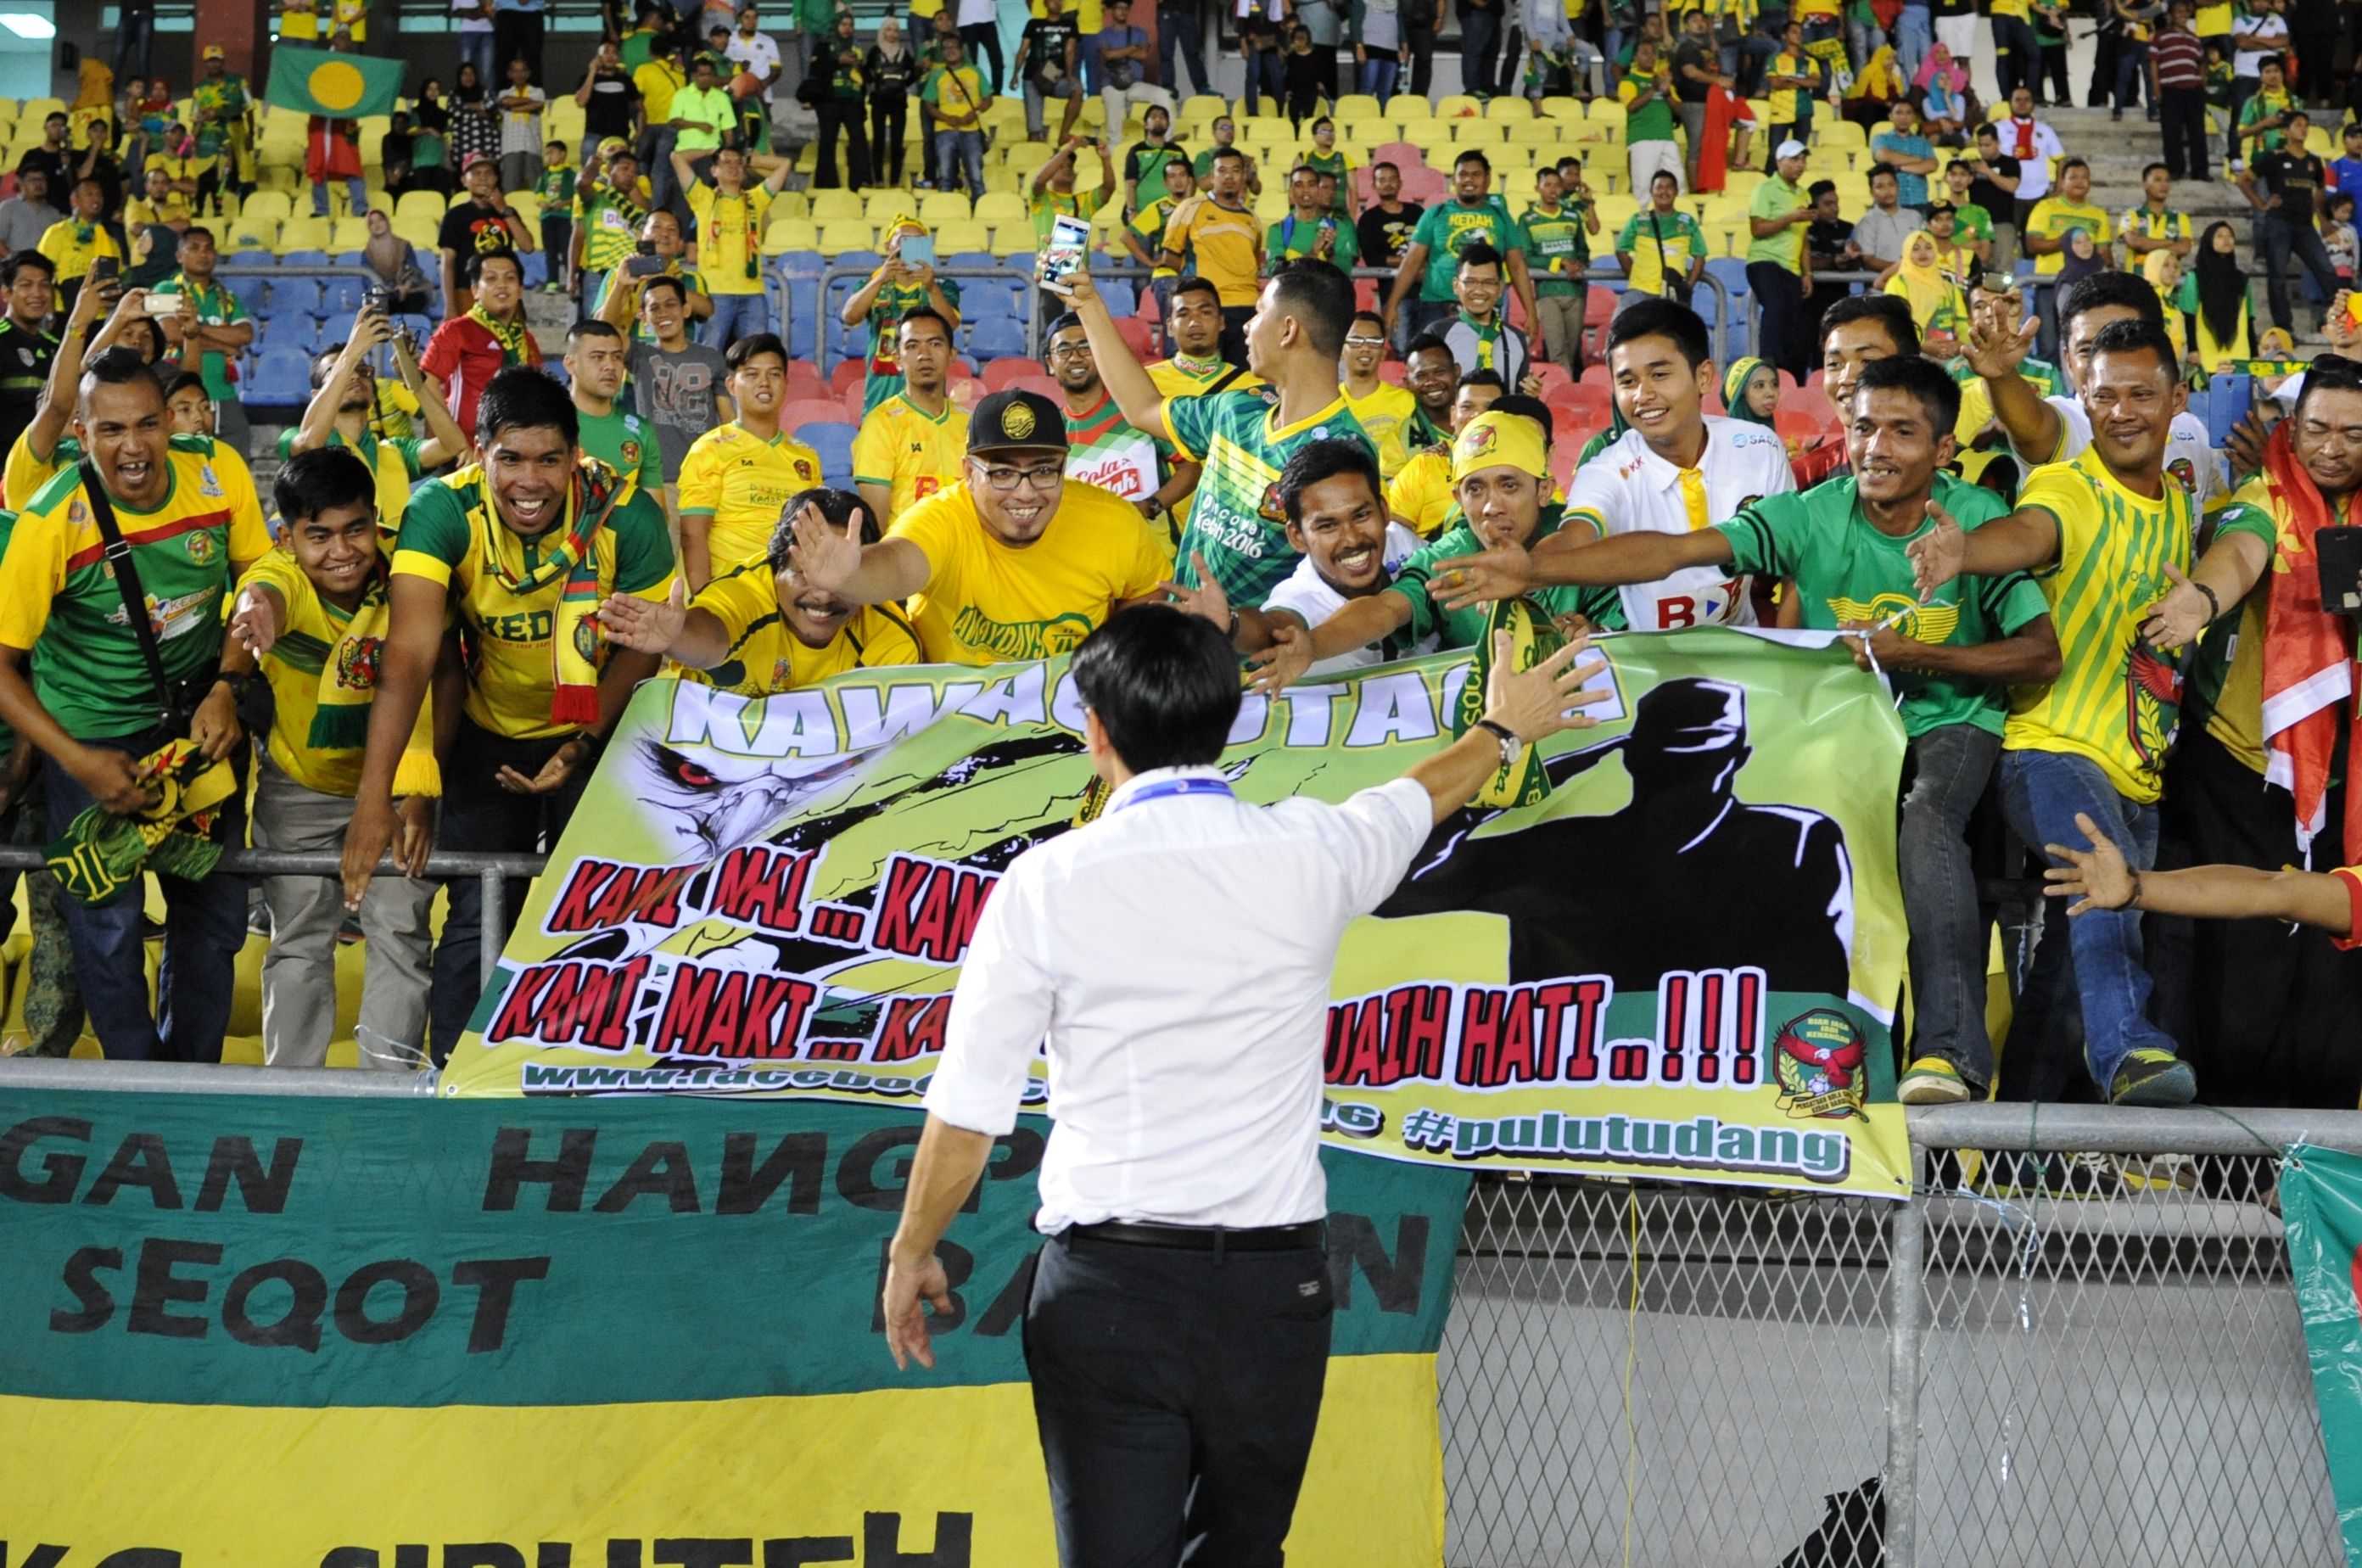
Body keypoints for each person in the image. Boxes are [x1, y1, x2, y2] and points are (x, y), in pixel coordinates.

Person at [880, 603, 1600, 1567]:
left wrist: (911, 1250)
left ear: (1097, 730)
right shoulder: (1309, 850)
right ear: (1229, 719)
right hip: (1273, 1294)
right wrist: (1503, 726)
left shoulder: (1044, 885)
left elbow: (969, 1114)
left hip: (1109, 1293)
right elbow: (1422, 793)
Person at [1910, 319, 2277, 1106]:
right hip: (2050, 749)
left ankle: (2018, 1151)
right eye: (2101, 395)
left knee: (2067, 976)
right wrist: (1965, 551)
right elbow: (2026, 533)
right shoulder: (2068, 488)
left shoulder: (2181, 504)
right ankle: (2131, 1053)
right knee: (2108, 897)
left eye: (2141, 394)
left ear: (2178, 400)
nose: (2120, 411)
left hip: (2139, 771)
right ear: (2083, 396)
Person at [344, 367, 676, 1064]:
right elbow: (407, 658)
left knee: (602, 910)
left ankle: (583, 1065)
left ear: (578, 454)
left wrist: (583, 744)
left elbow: (643, 652)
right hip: (486, 736)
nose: (532, 482)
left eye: (550, 460)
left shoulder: (629, 517)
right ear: (479, 452)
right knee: (475, 914)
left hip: (598, 740)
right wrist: (379, 797)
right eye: (511, 459)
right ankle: (454, 1075)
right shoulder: (440, 511)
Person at [0, 349, 269, 1061]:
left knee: (210, 922)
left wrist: (228, 684)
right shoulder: (50, 518)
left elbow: (258, 576)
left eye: (148, 424)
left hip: (199, 735)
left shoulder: (219, 471)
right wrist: (79, 762)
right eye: (111, 429)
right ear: (81, 436)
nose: (134, 446)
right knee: (108, 929)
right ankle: (138, 1089)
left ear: (167, 423)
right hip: (91, 746)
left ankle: (195, 1084)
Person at [224, 449, 439, 1070]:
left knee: (402, 938)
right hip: (300, 789)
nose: (341, 551)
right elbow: (262, 598)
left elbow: (443, 677)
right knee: (298, 941)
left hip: (403, 789)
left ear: (377, 521)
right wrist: (254, 613)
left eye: (356, 530)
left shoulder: (413, 570)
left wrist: (420, 795)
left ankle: (388, 1099)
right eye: (318, 536)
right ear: (286, 537)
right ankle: (291, 1095)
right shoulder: (277, 574)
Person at [1443, 299, 1795, 633]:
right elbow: (1574, 537)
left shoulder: (1760, 448)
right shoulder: (1607, 468)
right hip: (1648, 664)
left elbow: (1795, 563)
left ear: (1703, 376)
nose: (1643, 395)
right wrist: (1527, 568)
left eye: (1659, 375)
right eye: (1627, 381)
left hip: (1743, 655)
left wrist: (1791, 658)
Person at [1062, 257, 1373, 607]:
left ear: (1288, 331)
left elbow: (1351, 587)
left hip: (1268, 656)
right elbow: (1143, 409)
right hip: (1190, 644)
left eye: (1258, 313)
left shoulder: (1344, 452)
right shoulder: (1237, 409)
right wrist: (1087, 304)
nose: (1246, 327)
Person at [790, 388, 1172, 664]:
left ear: (1063, 467)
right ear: (969, 473)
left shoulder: (1112, 520)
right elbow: (897, 564)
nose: (1025, 494)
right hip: (956, 724)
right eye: (1003, 473)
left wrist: (1107, 658)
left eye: (1042, 471)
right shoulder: (942, 518)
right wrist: (850, 576)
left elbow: (1145, 593)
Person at [1245, 401, 1618, 682]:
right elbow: (1385, 610)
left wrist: (1596, 634)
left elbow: (1634, 628)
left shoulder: (1583, 539)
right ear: (1458, 499)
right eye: (1475, 488)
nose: (1490, 507)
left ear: (1544, 490)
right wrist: (1313, 646)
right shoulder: (1446, 559)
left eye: (1509, 485)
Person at [602, 484, 919, 694]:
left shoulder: (889, 634)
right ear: (775, 565)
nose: (823, 596)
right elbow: (712, 635)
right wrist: (677, 638)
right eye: (805, 574)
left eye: (842, 580)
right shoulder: (746, 592)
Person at [1965, 269, 2224, 506]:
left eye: (2123, 342)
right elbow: (2030, 425)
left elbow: (2210, 532)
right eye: (2088, 350)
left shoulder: (2193, 432)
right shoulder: (2067, 422)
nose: (2104, 363)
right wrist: (2002, 376)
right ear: (2067, 360)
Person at [286, 307, 467, 533]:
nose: (354, 375)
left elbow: (453, 444)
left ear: (373, 392)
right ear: (315, 396)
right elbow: (312, 443)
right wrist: (351, 354)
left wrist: (415, 382)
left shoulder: (395, 451)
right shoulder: (293, 438)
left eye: (363, 371)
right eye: (337, 373)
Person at [674, 332, 824, 587]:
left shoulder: (806, 456)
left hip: (791, 593)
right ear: (732, 385)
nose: (764, 383)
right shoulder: (710, 449)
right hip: (733, 593)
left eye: (774, 374)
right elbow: (693, 534)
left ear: (786, 383)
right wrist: (705, 603)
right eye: (752, 375)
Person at [1045, 312, 1198, 525]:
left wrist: (1151, 505)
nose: (1075, 357)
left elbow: (1190, 468)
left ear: (1100, 352)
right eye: (1063, 350)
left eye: (1085, 346)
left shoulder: (1137, 412)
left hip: (1154, 551)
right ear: (1050, 363)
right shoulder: (1050, 433)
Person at [600, 271, 730, 507]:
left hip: (706, 478)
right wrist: (620, 284)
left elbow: (730, 424)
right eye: (654, 308)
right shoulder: (640, 355)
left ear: (686, 310)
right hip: (658, 479)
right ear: (643, 317)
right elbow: (601, 333)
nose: (663, 313)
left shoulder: (712, 358)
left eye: (671, 304)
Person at [851, 308, 971, 523]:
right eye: (913, 346)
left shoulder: (971, 423)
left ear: (952, 355)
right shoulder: (881, 423)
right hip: (906, 552)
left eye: (935, 344)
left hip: (965, 550)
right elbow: (875, 526)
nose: (924, 355)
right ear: (897, 359)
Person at [148, 227, 254, 457]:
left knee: (235, 458)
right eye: (194, 248)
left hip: (223, 392)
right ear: (179, 256)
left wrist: (194, 328)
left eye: (208, 248)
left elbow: (244, 335)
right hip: (179, 394)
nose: (203, 254)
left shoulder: (227, 296)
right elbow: (172, 334)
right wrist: (225, 345)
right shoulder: (164, 290)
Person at [673, 143, 791, 349]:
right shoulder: (703, 197)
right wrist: (709, 150)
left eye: (738, 163)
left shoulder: (756, 198)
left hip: (753, 293)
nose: (734, 166)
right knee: (710, 355)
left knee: (754, 355)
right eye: (726, 162)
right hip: (715, 293)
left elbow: (785, 164)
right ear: (714, 170)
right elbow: (677, 157)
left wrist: (749, 160)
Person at [842, 222, 966, 413]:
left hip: (927, 391)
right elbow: (849, 317)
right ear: (888, 246)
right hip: (881, 390)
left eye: (917, 242)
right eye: (903, 240)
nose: (907, 247)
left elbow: (951, 325)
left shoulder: (942, 286)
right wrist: (881, 278)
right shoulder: (872, 285)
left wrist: (932, 288)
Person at [423, 251, 543, 442]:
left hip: (512, 453)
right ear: (475, 291)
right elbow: (426, 385)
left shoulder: (527, 341)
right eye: (491, 278)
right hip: (465, 455)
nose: (502, 284)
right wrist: (455, 442)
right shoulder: (456, 331)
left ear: (520, 290)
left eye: (510, 278)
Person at [2242, 108, 2341, 334]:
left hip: (2305, 225)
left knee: (2326, 270)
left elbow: (2322, 188)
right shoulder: (2275, 157)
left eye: (2306, 125)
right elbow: (2242, 179)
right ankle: (2284, 328)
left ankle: (2331, 320)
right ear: (2286, 131)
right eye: (2298, 125)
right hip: (2279, 223)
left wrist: (2314, 209)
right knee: (2277, 276)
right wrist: (2261, 204)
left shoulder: (2314, 161)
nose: (2303, 129)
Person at [1160, 148, 1263, 363]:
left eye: (1235, 170)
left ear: (1244, 176)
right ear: (1211, 176)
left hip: (1247, 310)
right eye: (1222, 170)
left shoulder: (1253, 220)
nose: (1228, 176)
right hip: (1208, 309)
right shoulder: (1191, 207)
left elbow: (1252, 262)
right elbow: (1170, 258)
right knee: (1202, 380)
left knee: (1240, 383)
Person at [563, 317, 663, 499]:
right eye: (598, 357)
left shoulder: (641, 431)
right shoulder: (548, 426)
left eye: (617, 357)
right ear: (570, 364)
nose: (610, 366)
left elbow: (655, 513)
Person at [1749, 139, 1816, 381]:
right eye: (1794, 159)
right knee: (1776, 305)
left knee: (1794, 320)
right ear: (1779, 162)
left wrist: (1807, 273)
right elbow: (1757, 229)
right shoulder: (1765, 189)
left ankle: (1790, 375)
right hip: (1764, 260)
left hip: (1791, 266)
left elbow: (1804, 239)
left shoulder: (1803, 193)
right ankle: (1769, 363)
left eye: (1803, 159)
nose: (1800, 165)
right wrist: (1791, 217)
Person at [1147, 277, 1268, 407]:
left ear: (1221, 322)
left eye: (1205, 312)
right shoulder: (1144, 382)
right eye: (1183, 315)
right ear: (1170, 327)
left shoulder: (1251, 385)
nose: (1195, 322)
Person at [437, 153, 534, 315]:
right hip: (467, 292)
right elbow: (447, 263)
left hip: (504, 291)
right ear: (464, 181)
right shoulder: (455, 215)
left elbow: (528, 246)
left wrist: (503, 210)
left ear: (496, 179)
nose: (483, 178)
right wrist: (450, 306)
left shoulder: (508, 212)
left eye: (488, 173)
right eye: (476, 173)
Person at [1520, 165, 1594, 373]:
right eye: (1547, 185)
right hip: (1547, 292)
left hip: (1575, 291)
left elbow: (1583, 250)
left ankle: (1565, 391)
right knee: (1557, 352)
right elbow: (1526, 256)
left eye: (1557, 185)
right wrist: (1559, 262)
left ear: (1562, 189)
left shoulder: (1572, 216)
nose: (1552, 190)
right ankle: (1564, 397)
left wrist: (1579, 263)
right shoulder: (1527, 219)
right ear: (1538, 187)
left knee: (1571, 351)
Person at [1439, 242, 1531, 388]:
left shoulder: (1516, 338)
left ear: (1500, 288)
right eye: (1470, 282)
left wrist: (1531, 397)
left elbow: (1519, 398)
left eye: (1488, 283)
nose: (1479, 291)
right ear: (1456, 286)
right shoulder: (1438, 334)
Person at [1339, 310, 1418, 482]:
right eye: (1356, 340)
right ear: (1341, 350)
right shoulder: (1330, 403)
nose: (1365, 348)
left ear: (1383, 352)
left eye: (1374, 341)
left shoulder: (1407, 402)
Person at [1616, 169, 1708, 311]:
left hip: (1672, 296)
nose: (1664, 191)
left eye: (1669, 187)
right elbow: (1621, 250)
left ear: (1676, 191)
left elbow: (1700, 256)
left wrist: (1688, 286)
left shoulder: (1688, 222)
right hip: (1638, 293)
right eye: (1659, 187)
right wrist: (1636, 277)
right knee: (1618, 330)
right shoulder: (1638, 220)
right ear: (1651, 191)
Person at [1125, 156, 1194, 344]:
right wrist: (1150, 262)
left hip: (1197, 275)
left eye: (1182, 175)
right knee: (1175, 335)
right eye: (1172, 176)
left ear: (1190, 179)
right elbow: (1126, 236)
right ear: (1165, 182)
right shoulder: (1159, 208)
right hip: (1168, 277)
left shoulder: (1200, 207)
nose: (1178, 180)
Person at [36, 179, 122, 322]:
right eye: (89, 194)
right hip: (64, 313)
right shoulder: (57, 233)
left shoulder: (110, 240)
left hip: (102, 316)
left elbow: (117, 278)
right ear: (74, 200)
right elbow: (43, 274)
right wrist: (49, 312)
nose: (96, 199)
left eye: (99, 195)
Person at [0, 253, 55, 462]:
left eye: (44, 285)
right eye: (26, 285)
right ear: (6, 293)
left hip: (44, 468)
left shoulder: (57, 345)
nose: (37, 293)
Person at [924, 33, 992, 199]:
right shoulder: (937, 75)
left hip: (971, 130)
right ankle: (946, 215)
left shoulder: (975, 71)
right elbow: (928, 105)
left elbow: (988, 99)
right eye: (946, 48)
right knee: (946, 178)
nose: (950, 51)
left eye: (953, 47)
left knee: (976, 178)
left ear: (961, 50)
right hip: (944, 130)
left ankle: (979, 214)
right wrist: (947, 118)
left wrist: (974, 113)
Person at [2023, 157, 2114, 278]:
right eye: (2073, 178)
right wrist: (2069, 242)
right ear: (2062, 182)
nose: (2079, 182)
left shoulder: (2099, 214)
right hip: (2050, 281)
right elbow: (2032, 245)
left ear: (2090, 183)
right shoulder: (2045, 207)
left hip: (2086, 283)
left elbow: (2104, 253)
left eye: (2084, 178)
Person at [811, 11, 870, 190]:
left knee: (859, 140)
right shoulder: (823, 44)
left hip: (852, 100)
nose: (847, 29)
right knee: (828, 141)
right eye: (843, 25)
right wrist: (838, 61)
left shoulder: (857, 47)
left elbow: (864, 76)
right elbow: (816, 70)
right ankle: (826, 185)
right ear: (836, 26)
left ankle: (860, 183)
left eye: (850, 25)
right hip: (829, 100)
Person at [2152, 0, 2209, 180]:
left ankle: (2200, 171)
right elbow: (2153, 64)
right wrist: (2157, 91)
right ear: (2171, 15)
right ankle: (2175, 170)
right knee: (2172, 132)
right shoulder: (2160, 36)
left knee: (2198, 132)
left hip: (2194, 91)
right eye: (2179, 11)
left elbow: (2201, 63)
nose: (2183, 15)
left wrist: (2202, 83)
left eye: (2186, 12)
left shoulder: (2194, 38)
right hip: (2170, 90)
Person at [1618, 37, 1682, 200]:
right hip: (1642, 139)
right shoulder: (1629, 81)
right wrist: (1653, 90)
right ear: (1635, 58)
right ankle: (1644, 223)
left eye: (1653, 53)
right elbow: (1631, 106)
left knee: (1677, 186)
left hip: (1667, 138)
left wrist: (1666, 93)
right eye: (1644, 53)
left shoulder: (1664, 82)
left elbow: (1680, 110)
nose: (1650, 56)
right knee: (1644, 189)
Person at [1266, 164, 1359, 272]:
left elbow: (1346, 272)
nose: (1306, 190)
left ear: (1319, 190)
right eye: (1299, 185)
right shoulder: (1278, 231)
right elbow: (1275, 271)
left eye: (1311, 184)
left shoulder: (1338, 228)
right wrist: (1313, 253)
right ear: (1291, 192)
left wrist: (1330, 254)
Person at [1013, 0, 1083, 143]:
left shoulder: (1070, 24)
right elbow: (1022, 51)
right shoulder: (1034, 23)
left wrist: (1070, 75)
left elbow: (1070, 51)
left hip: (1057, 77)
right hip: (1032, 77)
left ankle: (1063, 135)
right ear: (1045, 3)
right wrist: (1015, 75)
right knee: (1035, 132)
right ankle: (1037, 157)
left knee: (1077, 90)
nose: (1057, 3)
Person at [1963, 123, 2024, 269]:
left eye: (1988, 145)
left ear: (1997, 143)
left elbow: (2011, 187)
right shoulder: (1972, 165)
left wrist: (1987, 171)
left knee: (2003, 268)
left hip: (2002, 222)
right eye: (1980, 145)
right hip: (1976, 224)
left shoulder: (2010, 163)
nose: (1983, 149)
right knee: (1975, 265)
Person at [865, 19, 918, 186]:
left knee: (897, 142)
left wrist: (904, 84)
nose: (892, 33)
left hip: (898, 102)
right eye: (889, 29)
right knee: (878, 140)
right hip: (879, 101)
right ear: (882, 32)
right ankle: (879, 179)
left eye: (896, 30)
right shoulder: (874, 51)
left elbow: (914, 72)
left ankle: (895, 180)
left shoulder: (904, 52)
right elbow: (865, 71)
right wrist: (875, 82)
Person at [1850, 165, 1924, 275]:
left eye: (1891, 185)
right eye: (1880, 187)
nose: (1887, 190)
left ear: (1898, 187)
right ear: (1871, 192)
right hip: (1881, 288)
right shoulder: (1866, 223)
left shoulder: (1915, 217)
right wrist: (1904, 269)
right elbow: (1868, 260)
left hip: (1915, 284)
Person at [1122, 104, 1190, 217]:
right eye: (1153, 117)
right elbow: (1130, 184)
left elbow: (1190, 180)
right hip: (1143, 213)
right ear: (1146, 125)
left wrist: (1184, 205)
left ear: (1168, 124)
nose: (1158, 119)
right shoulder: (1136, 151)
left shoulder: (1178, 151)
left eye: (1162, 117)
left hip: (1172, 216)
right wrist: (1131, 210)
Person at [1357, 161, 1424, 276]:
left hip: (1423, 282)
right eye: (1382, 180)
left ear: (1400, 183)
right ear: (1374, 186)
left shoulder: (1417, 212)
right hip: (1390, 283)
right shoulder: (1368, 219)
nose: (1388, 183)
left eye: (1392, 179)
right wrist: (1411, 262)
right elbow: (1372, 259)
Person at [1872, 100, 1939, 209]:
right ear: (1890, 116)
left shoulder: (1923, 142)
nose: (1904, 117)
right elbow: (1884, 156)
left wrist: (1900, 168)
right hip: (1891, 204)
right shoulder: (1881, 138)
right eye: (1899, 113)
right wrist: (1918, 160)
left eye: (1908, 113)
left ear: (1914, 117)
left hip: (1919, 202)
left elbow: (1932, 165)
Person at [0, 169, 61, 258]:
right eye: (33, 180)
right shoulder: (8, 207)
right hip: (13, 267)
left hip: (45, 268)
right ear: (21, 183)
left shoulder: (54, 214)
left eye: (42, 179)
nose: (38, 184)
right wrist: (12, 261)